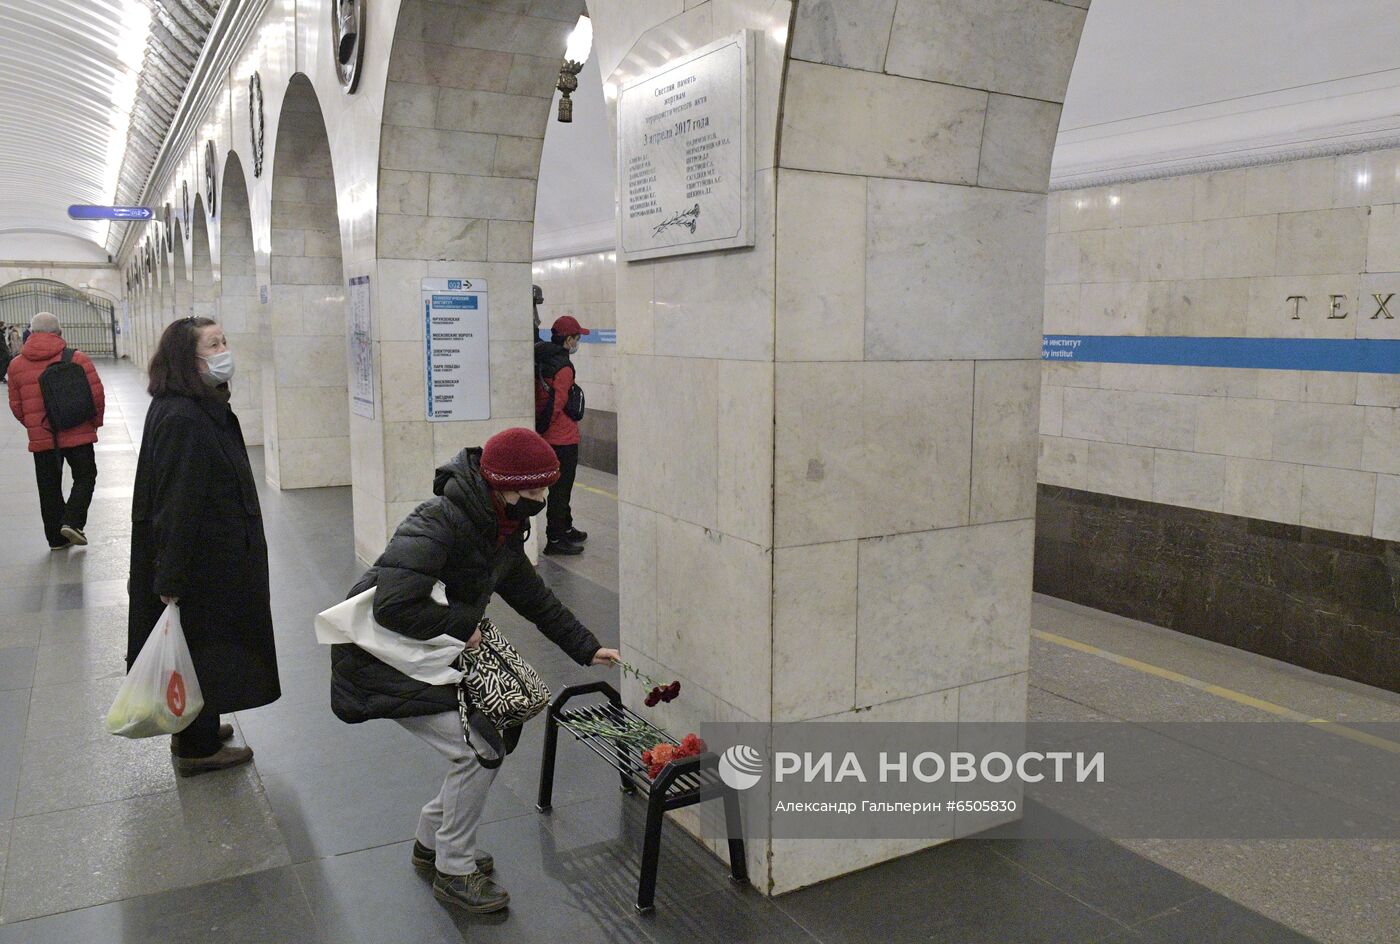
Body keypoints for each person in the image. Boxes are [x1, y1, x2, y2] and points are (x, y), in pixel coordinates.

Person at [330, 427, 620, 914]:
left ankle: (432, 844)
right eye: (533, 492)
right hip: (383, 661)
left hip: (425, 653)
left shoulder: (499, 529)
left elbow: (534, 598)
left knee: (488, 741)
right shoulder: (440, 521)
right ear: (503, 486)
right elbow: (392, 606)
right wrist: (462, 626)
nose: (542, 500)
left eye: (547, 489)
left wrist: (586, 647)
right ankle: (455, 870)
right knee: (479, 748)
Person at [127, 317, 280, 776]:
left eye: (224, 341)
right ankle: (195, 747)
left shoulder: (190, 406)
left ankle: (202, 722)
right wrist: (169, 578)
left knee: (205, 645)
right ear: (187, 360)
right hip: (204, 561)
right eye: (213, 345)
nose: (224, 350)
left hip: (211, 556)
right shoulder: (186, 419)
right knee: (203, 644)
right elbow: (177, 504)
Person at [6, 312, 105, 550]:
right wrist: (94, 423)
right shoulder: (77, 359)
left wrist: (34, 426)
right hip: (78, 430)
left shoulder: (16, 365)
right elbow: (97, 395)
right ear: (59, 334)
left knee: (48, 486)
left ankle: (56, 539)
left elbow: (16, 405)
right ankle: (72, 521)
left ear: (31, 332)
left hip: (43, 437)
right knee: (85, 476)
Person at [534, 314, 589, 555]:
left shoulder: (545, 358)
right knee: (561, 489)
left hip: (550, 436)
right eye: (576, 338)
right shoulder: (564, 367)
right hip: (562, 438)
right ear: (568, 340)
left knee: (561, 488)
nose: (577, 342)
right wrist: (545, 428)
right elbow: (558, 402)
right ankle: (556, 539)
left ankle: (565, 527)